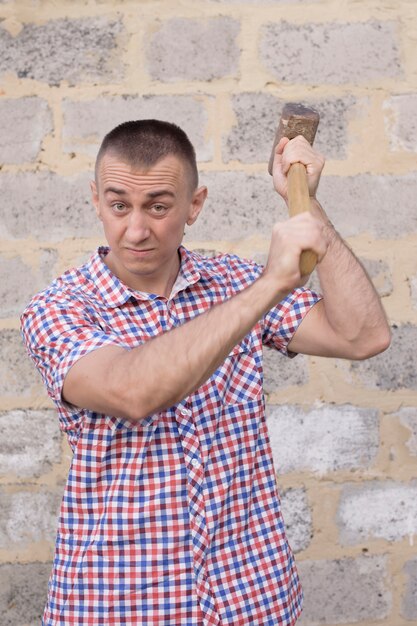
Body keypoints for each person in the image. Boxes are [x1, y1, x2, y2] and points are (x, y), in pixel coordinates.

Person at [21, 119, 390, 626]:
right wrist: (269, 286)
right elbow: (134, 391)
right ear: (96, 200)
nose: (136, 229)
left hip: (253, 600)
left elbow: (362, 335)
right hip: (120, 606)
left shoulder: (231, 281)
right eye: (118, 204)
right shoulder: (59, 308)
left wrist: (306, 208)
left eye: (158, 206)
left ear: (194, 205)